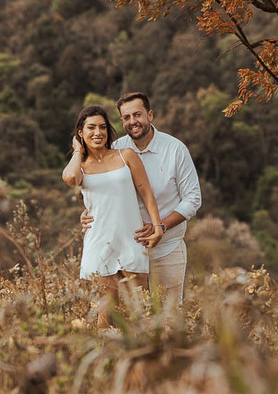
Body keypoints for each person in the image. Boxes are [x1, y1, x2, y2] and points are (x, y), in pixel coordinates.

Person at [86, 92, 202, 310]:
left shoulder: (175, 149)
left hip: (168, 249)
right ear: (122, 121)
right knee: (133, 318)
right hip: (126, 251)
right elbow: (102, 193)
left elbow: (193, 199)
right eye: (127, 117)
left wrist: (161, 225)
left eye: (137, 115)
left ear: (150, 115)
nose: (133, 122)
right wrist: (87, 214)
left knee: (170, 316)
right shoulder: (116, 150)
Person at [62, 104, 164, 327]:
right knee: (105, 314)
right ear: (81, 133)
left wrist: (157, 226)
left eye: (102, 127)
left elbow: (146, 192)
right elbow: (70, 178)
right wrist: (78, 151)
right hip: (100, 243)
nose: (97, 133)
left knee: (140, 311)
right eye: (91, 128)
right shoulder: (81, 167)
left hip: (132, 239)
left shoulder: (125, 155)